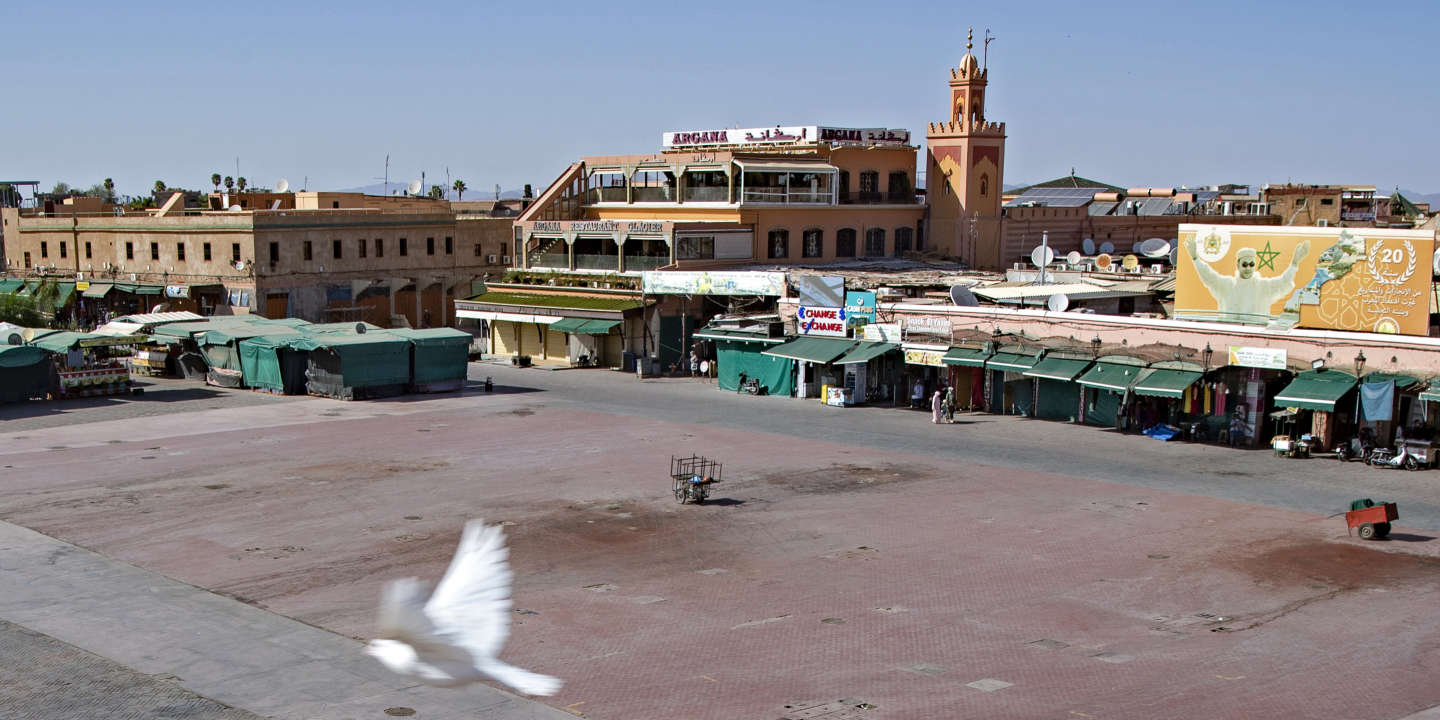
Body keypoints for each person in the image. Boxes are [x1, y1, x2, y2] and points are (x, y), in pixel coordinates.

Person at [1186, 233, 1309, 323]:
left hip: (1255, 334)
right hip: (1230, 333)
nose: (1248, 268)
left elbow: (1284, 282)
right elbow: (1209, 276)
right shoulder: (1227, 284)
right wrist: (1196, 258)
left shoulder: (1263, 286)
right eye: (1245, 264)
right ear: (1238, 265)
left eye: (1252, 264)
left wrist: (1294, 263)